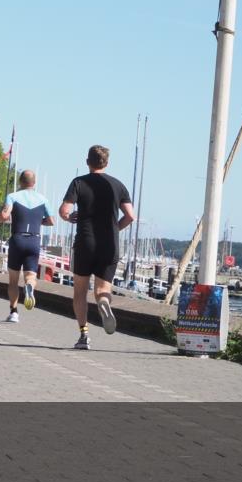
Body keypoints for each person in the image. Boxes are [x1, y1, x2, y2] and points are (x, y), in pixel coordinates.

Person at [59, 145, 136, 350]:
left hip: (85, 242)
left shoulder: (79, 182)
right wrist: (115, 229)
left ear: (88, 162)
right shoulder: (118, 185)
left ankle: (84, 335)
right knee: (103, 289)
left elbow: (65, 210)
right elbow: (130, 216)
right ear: (107, 163)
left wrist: (68, 217)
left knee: (80, 293)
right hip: (109, 244)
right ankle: (104, 303)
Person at [0, 170, 55, 323]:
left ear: (20, 182)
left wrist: (0, 217)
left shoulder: (13, 196)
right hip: (34, 241)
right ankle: (29, 287)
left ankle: (14, 312)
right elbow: (51, 221)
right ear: (34, 183)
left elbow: (4, 215)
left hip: (17, 239)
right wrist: (39, 222)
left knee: (13, 280)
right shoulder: (43, 199)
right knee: (30, 276)